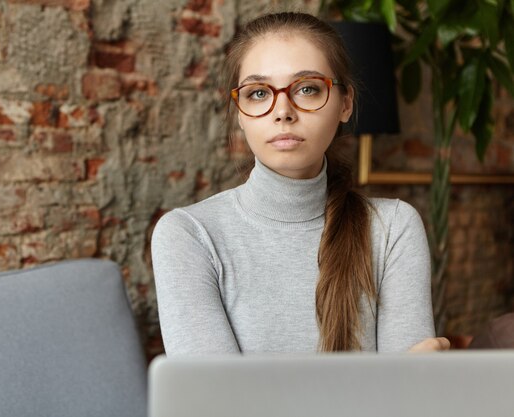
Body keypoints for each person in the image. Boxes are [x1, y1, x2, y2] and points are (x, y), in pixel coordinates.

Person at [151, 11, 449, 355]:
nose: (283, 111)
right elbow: (213, 402)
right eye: (259, 93)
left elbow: (407, 401)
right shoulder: (189, 234)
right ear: (239, 113)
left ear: (345, 104)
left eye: (307, 89)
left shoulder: (393, 227)